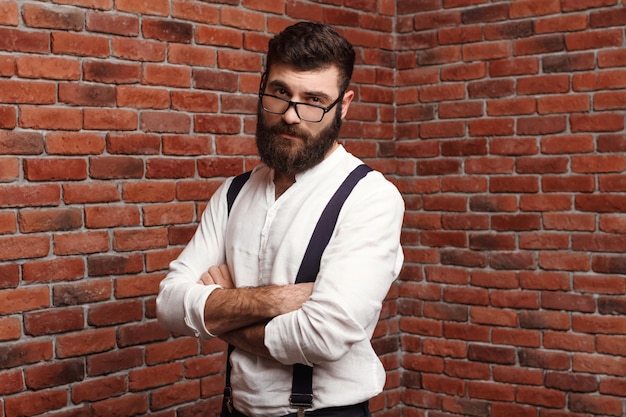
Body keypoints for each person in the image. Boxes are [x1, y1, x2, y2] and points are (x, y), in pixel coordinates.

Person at [156, 21, 404, 417]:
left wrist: (219, 311)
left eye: (313, 100)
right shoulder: (233, 193)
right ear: (264, 86)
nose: (291, 115)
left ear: (344, 104)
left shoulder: (369, 197)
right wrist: (282, 298)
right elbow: (169, 303)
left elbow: (324, 335)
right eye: (280, 93)